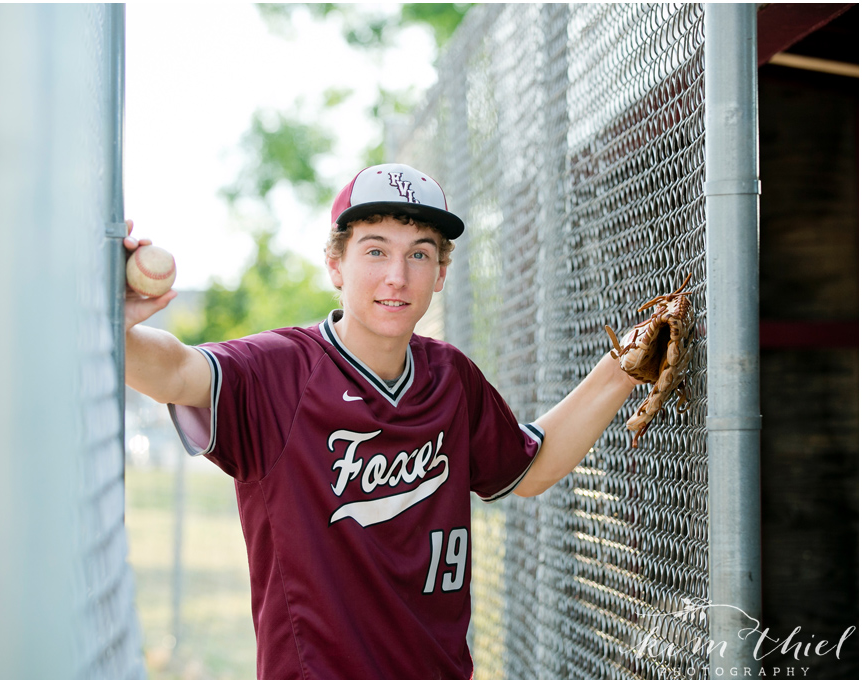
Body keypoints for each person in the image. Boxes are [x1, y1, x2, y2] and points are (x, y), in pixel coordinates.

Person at [124, 163, 639, 679]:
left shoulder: (450, 376)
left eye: (419, 253)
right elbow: (174, 369)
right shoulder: (277, 371)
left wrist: (625, 368)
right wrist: (113, 324)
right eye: (375, 250)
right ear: (335, 265)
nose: (398, 275)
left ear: (440, 273)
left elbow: (529, 466)